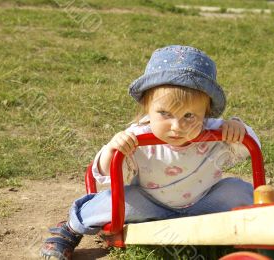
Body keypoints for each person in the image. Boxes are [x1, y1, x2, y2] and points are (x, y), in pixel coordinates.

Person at [40, 45, 261, 260]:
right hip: (149, 201)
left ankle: (262, 223)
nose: (177, 126)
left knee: (238, 189)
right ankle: (70, 229)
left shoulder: (215, 132)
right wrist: (113, 150)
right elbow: (108, 174)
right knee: (111, 201)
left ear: (206, 112)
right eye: (165, 113)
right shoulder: (137, 137)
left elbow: (250, 149)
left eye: (189, 116)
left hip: (204, 201)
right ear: (147, 107)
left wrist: (238, 129)